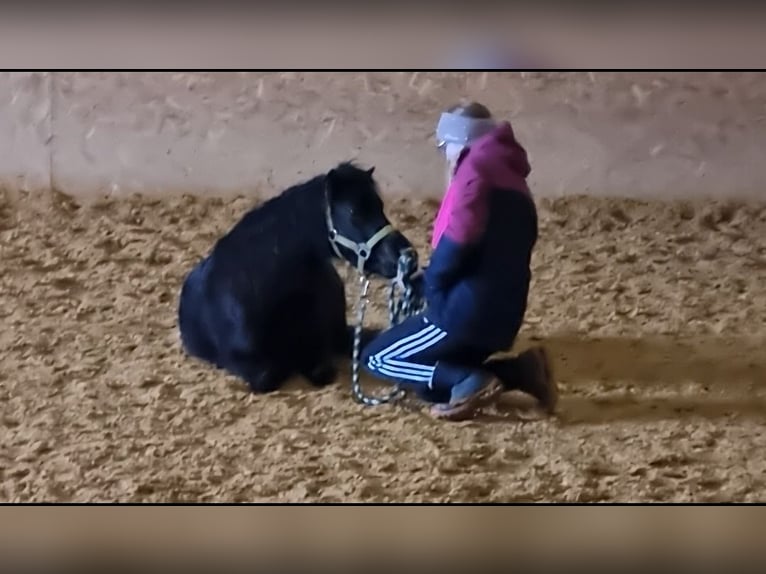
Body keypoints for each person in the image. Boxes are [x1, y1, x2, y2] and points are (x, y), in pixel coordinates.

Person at [361, 101, 557, 421]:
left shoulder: (475, 173)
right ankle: (519, 371)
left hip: (464, 311)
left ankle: (473, 381)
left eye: (445, 147)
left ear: (457, 141)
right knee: (430, 383)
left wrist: (433, 283)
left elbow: (460, 237)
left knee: (378, 358)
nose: (446, 156)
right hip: (504, 312)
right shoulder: (512, 179)